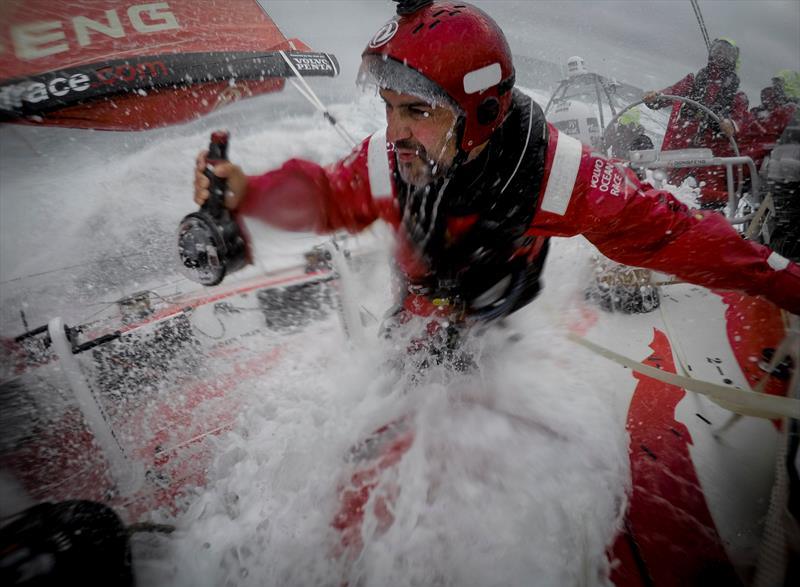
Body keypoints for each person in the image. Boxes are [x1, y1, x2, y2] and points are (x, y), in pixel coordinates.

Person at [193, 0, 799, 337]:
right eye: (388, 108)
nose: (395, 132)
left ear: (482, 110)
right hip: (419, 308)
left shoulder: (560, 180)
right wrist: (246, 198)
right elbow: (323, 194)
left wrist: (787, 283)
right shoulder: (390, 163)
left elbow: (676, 233)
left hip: (496, 317)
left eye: (417, 111)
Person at [643, 38, 749, 207]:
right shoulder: (692, 82)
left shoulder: (738, 97)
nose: (720, 55)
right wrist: (654, 97)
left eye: (726, 53)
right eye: (717, 50)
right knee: (663, 198)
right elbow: (668, 95)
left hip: (708, 164)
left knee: (695, 205)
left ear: (734, 60)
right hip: (678, 155)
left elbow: (739, 123)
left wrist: (731, 125)